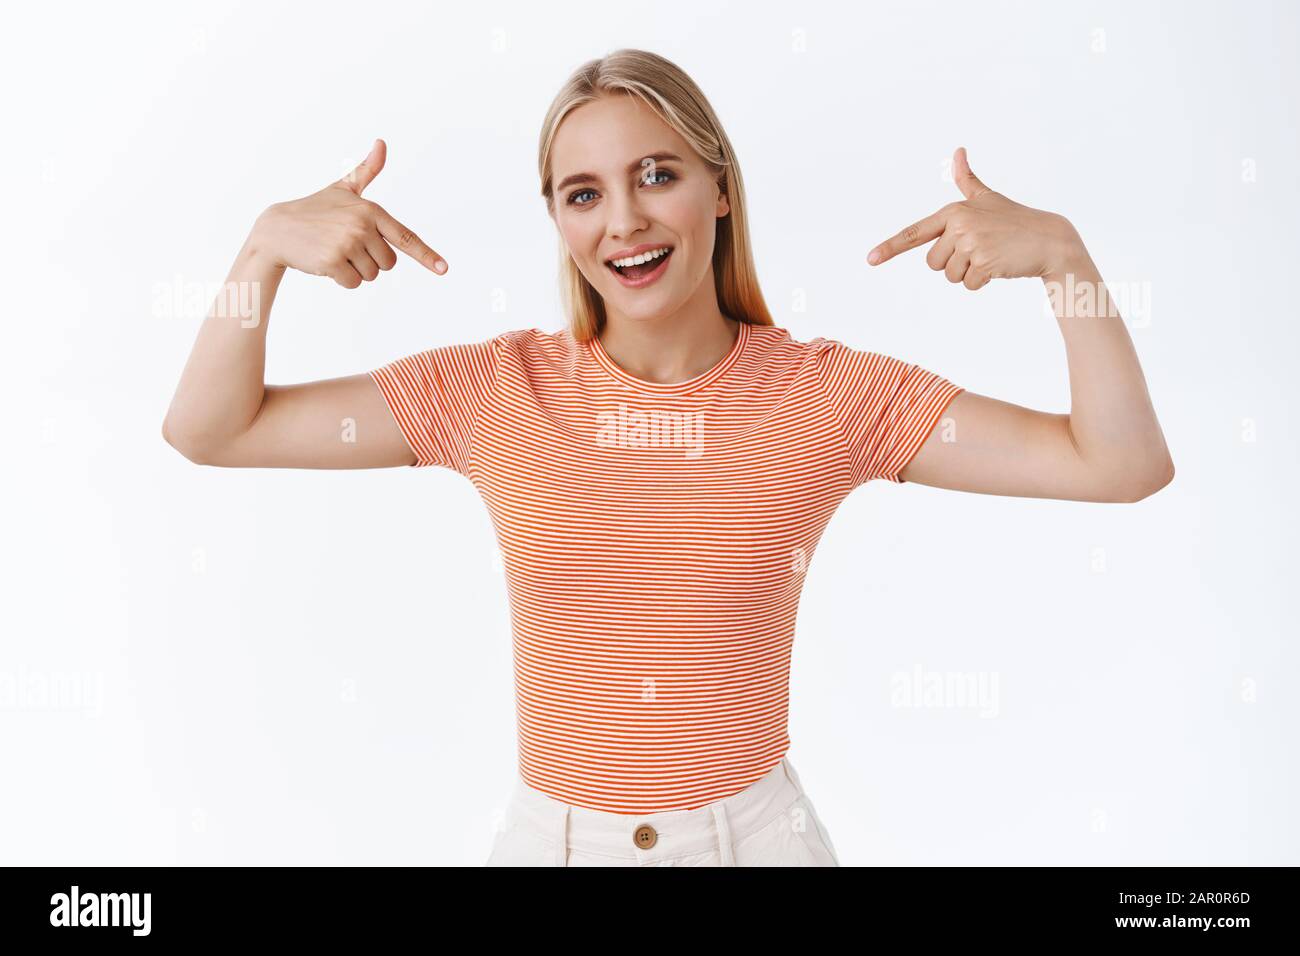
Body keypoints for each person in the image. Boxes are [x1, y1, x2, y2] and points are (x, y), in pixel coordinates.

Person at [161, 49, 1174, 866]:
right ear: (558, 221)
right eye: (583, 193)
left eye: (658, 173)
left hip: (756, 844)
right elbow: (212, 427)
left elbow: (1116, 464)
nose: (626, 220)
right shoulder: (489, 390)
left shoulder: (830, 395)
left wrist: (1066, 264)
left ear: (719, 188)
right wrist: (259, 254)